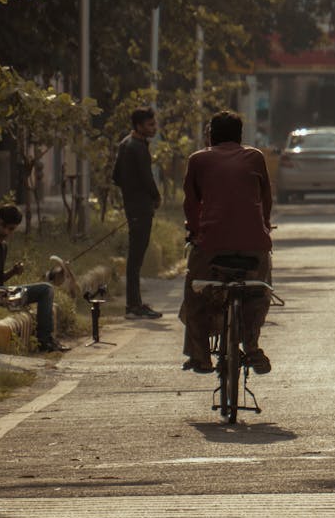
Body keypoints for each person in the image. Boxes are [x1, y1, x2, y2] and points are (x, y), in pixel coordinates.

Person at [180, 110, 273, 374]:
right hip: (254, 244)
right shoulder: (255, 157)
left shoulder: (198, 160)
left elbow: (191, 204)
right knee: (259, 290)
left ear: (210, 135)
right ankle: (252, 346)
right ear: (240, 135)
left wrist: (196, 231)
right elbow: (265, 199)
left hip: (211, 246)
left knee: (195, 292)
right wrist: (264, 227)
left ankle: (200, 355)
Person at [112, 106, 162, 320]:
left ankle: (135, 303)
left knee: (135, 258)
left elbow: (116, 176)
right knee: (136, 259)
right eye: (150, 124)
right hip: (141, 207)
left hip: (132, 205)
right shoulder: (138, 147)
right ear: (139, 126)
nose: (154, 128)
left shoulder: (125, 143)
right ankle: (133, 306)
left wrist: (129, 192)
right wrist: (155, 196)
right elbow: (146, 178)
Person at [0, 204, 69, 352]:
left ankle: (46, 340)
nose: (5, 231)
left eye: (10, 229)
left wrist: (13, 271)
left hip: (1, 293)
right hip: (0, 294)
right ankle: (44, 341)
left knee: (45, 289)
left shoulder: (3, 246)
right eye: (3, 226)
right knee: (45, 289)